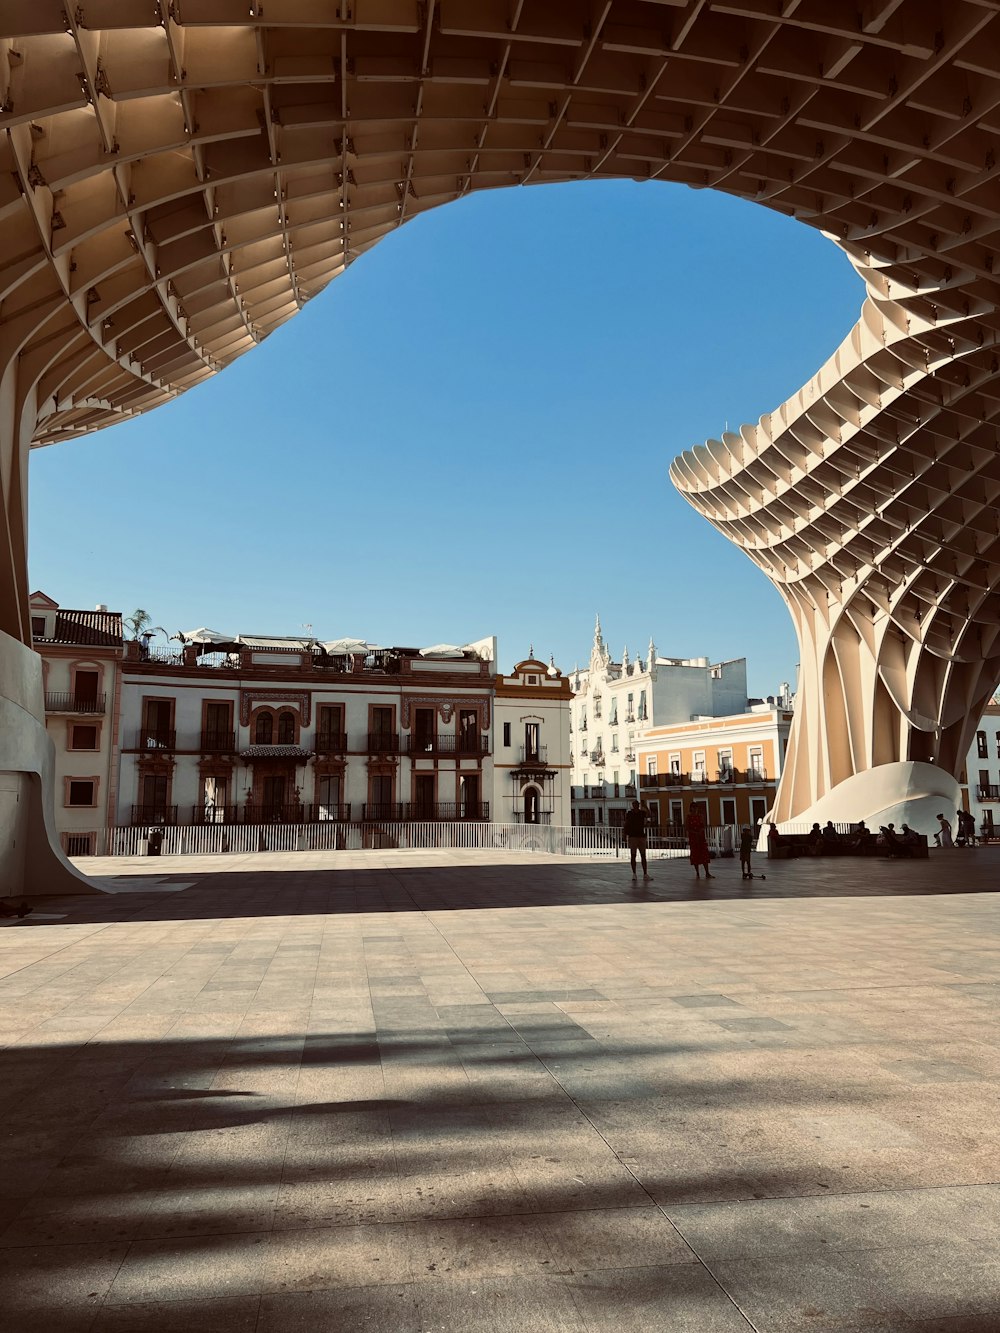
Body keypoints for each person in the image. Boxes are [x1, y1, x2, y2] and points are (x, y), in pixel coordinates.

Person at [622, 800, 652, 883]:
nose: (636, 805)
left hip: (641, 836)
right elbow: (626, 824)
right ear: (633, 805)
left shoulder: (642, 813)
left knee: (643, 856)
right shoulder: (629, 814)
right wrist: (624, 834)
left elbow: (649, 815)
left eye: (637, 804)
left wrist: (645, 806)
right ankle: (634, 873)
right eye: (634, 804)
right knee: (633, 855)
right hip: (633, 836)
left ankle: (645, 874)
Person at [687, 804, 713, 879]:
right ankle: (697, 872)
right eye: (693, 808)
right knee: (695, 855)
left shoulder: (700, 816)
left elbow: (703, 826)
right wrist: (695, 833)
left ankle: (707, 872)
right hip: (693, 838)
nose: (695, 809)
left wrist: (700, 831)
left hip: (701, 837)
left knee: (704, 854)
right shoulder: (688, 817)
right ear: (691, 808)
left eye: (696, 808)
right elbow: (687, 828)